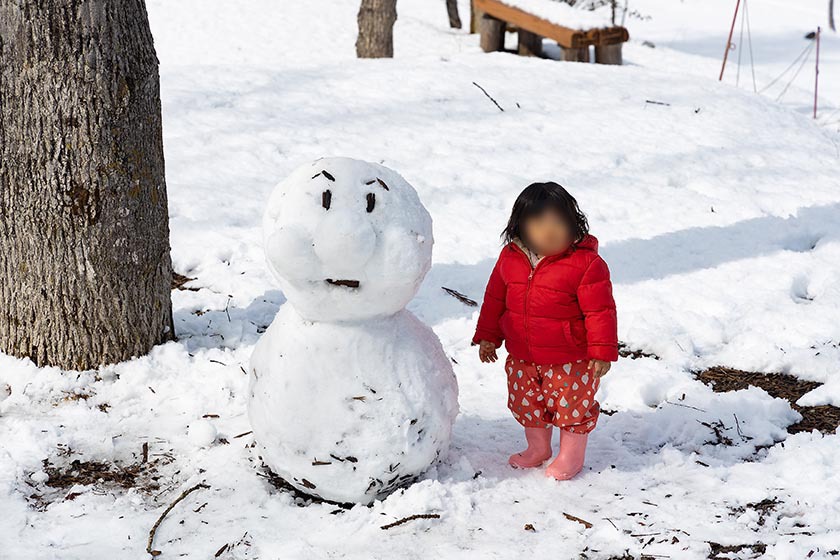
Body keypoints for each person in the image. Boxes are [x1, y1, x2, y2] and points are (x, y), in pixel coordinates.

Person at [472, 181, 618, 480]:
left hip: (570, 359)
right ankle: (538, 448)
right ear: (520, 226)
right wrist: (488, 336)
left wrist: (602, 352)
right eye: (539, 222)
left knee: (571, 409)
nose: (549, 231)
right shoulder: (509, 259)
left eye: (558, 222)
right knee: (528, 404)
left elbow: (600, 312)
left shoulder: (586, 264)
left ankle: (570, 456)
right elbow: (495, 299)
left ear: (573, 224)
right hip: (523, 354)